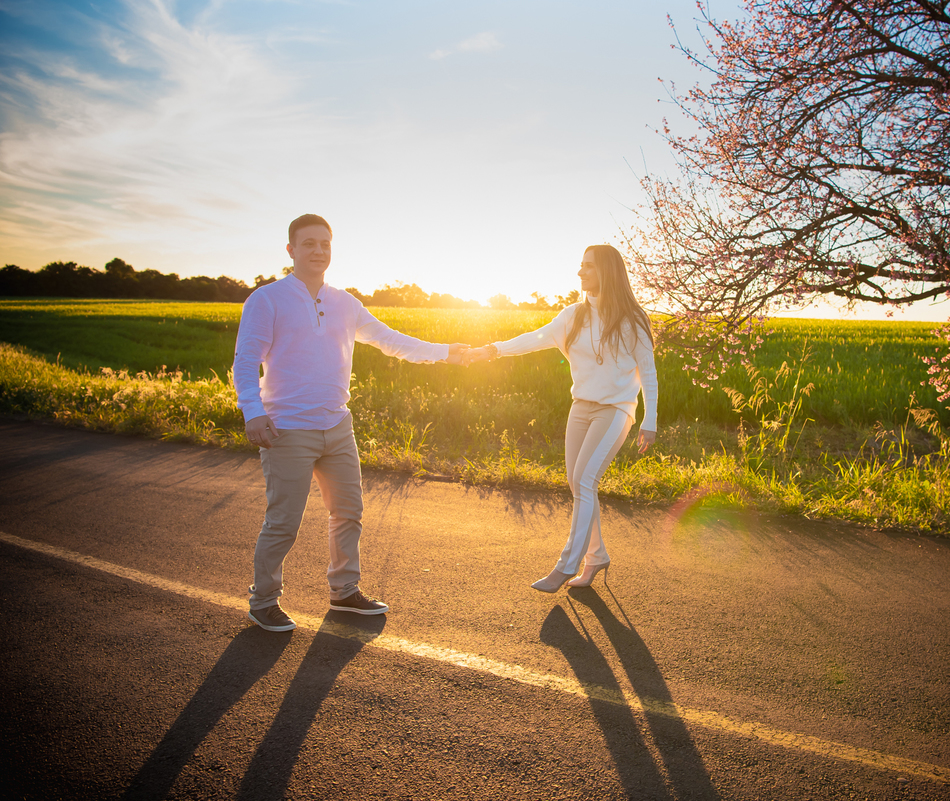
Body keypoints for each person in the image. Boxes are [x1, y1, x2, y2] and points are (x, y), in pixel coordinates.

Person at [234, 213, 466, 632]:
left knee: (348, 512)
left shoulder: (345, 303)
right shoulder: (267, 299)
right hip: (287, 427)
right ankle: (263, 599)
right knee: (283, 521)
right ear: (291, 250)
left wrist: (447, 353)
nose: (318, 250)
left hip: (338, 426)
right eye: (309, 243)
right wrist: (253, 411)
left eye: (325, 243)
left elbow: (391, 341)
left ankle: (344, 591)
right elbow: (246, 360)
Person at [464, 244, 658, 592]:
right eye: (580, 265)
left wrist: (650, 420)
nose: (580, 272)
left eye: (588, 266)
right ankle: (597, 556)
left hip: (615, 410)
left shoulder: (633, 319)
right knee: (577, 482)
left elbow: (649, 373)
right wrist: (493, 350)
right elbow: (535, 338)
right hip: (580, 407)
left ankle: (566, 565)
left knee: (584, 480)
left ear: (607, 271)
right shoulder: (574, 315)